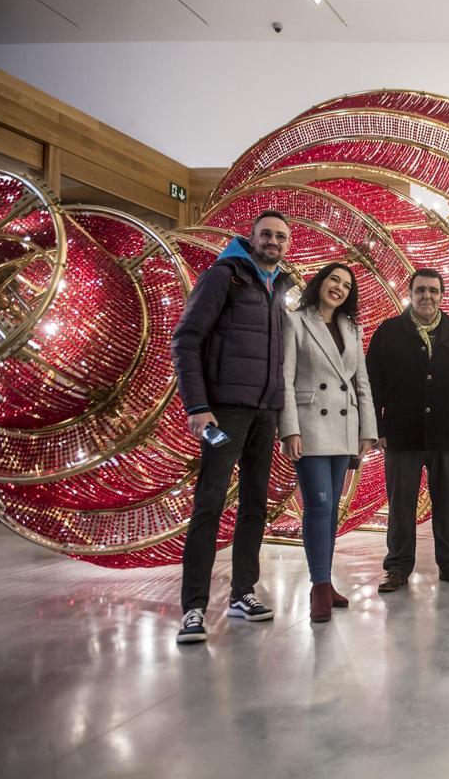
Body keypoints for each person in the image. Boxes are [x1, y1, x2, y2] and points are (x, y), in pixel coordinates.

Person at [171, 210, 295, 644]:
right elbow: (186, 340)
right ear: (251, 237)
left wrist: (281, 411)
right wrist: (198, 406)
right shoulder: (224, 276)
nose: (273, 241)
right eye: (266, 234)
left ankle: (243, 592)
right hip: (223, 413)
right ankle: (193, 609)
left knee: (255, 505)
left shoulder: (279, 288)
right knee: (209, 504)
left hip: (264, 414)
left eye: (280, 236)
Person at [365, 268, 449, 592]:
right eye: (421, 290)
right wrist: (376, 427)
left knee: (447, 503)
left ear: (442, 295)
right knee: (401, 505)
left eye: (433, 291)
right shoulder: (389, 332)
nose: (427, 296)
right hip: (401, 434)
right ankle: (397, 568)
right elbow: (371, 384)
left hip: (446, 435)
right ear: (410, 293)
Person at [279, 263, 377, 622]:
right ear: (320, 283)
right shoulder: (296, 321)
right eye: (334, 280)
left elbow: (361, 383)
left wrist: (367, 430)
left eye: (347, 285)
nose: (339, 288)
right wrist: (289, 429)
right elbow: (285, 379)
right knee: (318, 506)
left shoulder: (352, 328)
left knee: (332, 508)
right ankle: (319, 585)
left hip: (345, 427)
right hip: (310, 425)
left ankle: (326, 580)